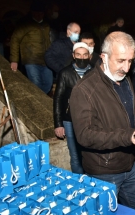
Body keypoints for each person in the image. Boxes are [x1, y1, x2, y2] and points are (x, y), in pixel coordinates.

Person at [69, 32, 135, 212]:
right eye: (121, 60)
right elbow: (84, 135)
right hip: (104, 171)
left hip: (130, 165)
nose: (127, 67)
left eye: (130, 61)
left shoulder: (125, 79)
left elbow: (128, 117)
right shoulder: (84, 90)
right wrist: (128, 136)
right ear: (103, 57)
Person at [53, 42, 92, 174]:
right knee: (75, 156)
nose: (82, 57)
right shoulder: (65, 73)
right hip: (69, 120)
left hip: (90, 119)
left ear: (89, 56)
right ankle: (80, 185)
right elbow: (58, 98)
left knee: (89, 155)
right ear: (73, 55)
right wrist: (58, 124)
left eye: (85, 54)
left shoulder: (95, 73)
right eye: (78, 54)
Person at [9, 1, 53, 94]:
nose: (39, 15)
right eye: (36, 12)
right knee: (36, 84)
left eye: (41, 13)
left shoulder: (46, 25)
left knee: (48, 83)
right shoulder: (24, 24)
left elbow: (49, 41)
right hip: (31, 60)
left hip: (46, 60)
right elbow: (15, 40)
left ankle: (41, 101)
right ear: (32, 12)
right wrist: (14, 60)